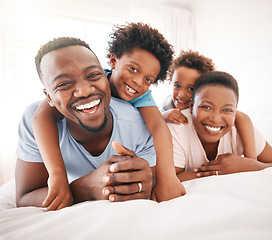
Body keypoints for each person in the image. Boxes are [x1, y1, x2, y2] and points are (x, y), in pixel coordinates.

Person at [31, 23, 185, 210]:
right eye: (133, 69)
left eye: (148, 80)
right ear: (113, 62)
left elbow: (158, 127)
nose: (138, 82)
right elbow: (40, 117)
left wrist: (167, 177)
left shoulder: (142, 96)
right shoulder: (92, 78)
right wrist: (57, 176)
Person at [16, 37, 156, 210]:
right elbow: (24, 197)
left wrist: (144, 180)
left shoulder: (139, 124)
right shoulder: (34, 121)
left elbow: (153, 182)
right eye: (64, 84)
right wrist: (86, 187)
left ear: (106, 77)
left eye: (94, 75)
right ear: (49, 98)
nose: (85, 90)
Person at [167, 71, 272, 182]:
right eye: (207, 107)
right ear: (191, 106)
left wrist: (249, 165)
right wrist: (220, 171)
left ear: (235, 111)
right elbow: (170, 179)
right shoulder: (177, 127)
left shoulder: (241, 129)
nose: (216, 118)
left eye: (227, 110)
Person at [161, 50, 257, 159]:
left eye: (191, 88)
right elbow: (152, 122)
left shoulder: (221, 112)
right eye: (177, 86)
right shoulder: (167, 105)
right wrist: (163, 116)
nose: (182, 94)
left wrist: (251, 160)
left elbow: (243, 118)